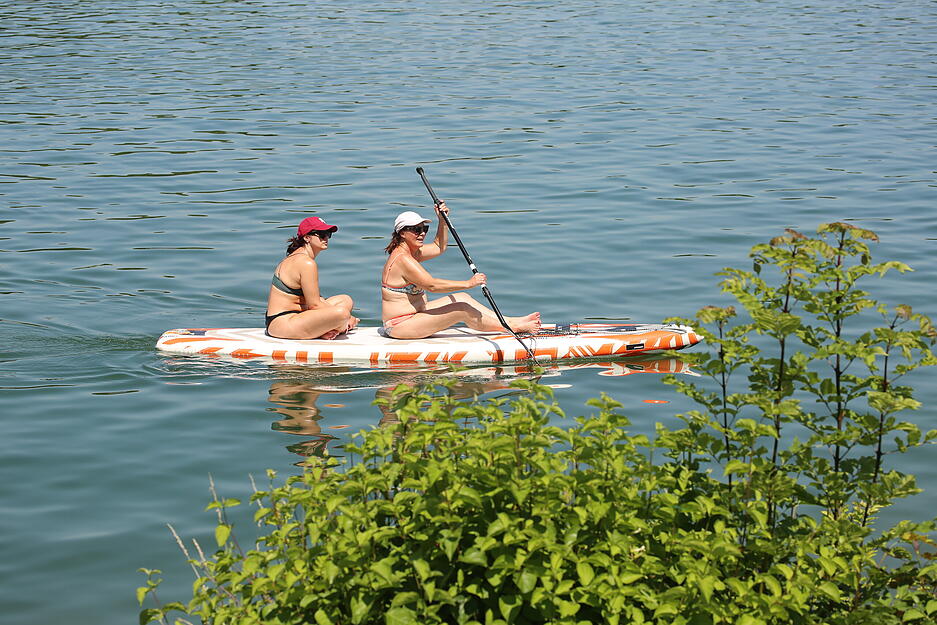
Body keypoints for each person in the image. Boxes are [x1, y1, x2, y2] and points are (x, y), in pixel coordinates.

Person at [380, 201, 541, 339]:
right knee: (462, 309)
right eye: (416, 230)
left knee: (462, 297)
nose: (422, 233)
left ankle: (511, 321)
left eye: (424, 229)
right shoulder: (403, 259)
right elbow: (432, 286)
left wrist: (442, 220)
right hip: (400, 325)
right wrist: (469, 283)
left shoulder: (412, 252)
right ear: (402, 233)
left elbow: (439, 246)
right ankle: (511, 328)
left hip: (416, 314)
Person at [265, 216, 358, 340]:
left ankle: (326, 330)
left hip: (298, 315)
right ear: (307, 238)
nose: (326, 238)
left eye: (328, 234)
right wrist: (348, 319)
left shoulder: (300, 257)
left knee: (345, 300)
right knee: (342, 314)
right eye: (321, 234)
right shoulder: (306, 263)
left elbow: (315, 301)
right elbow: (314, 305)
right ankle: (332, 328)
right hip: (283, 322)